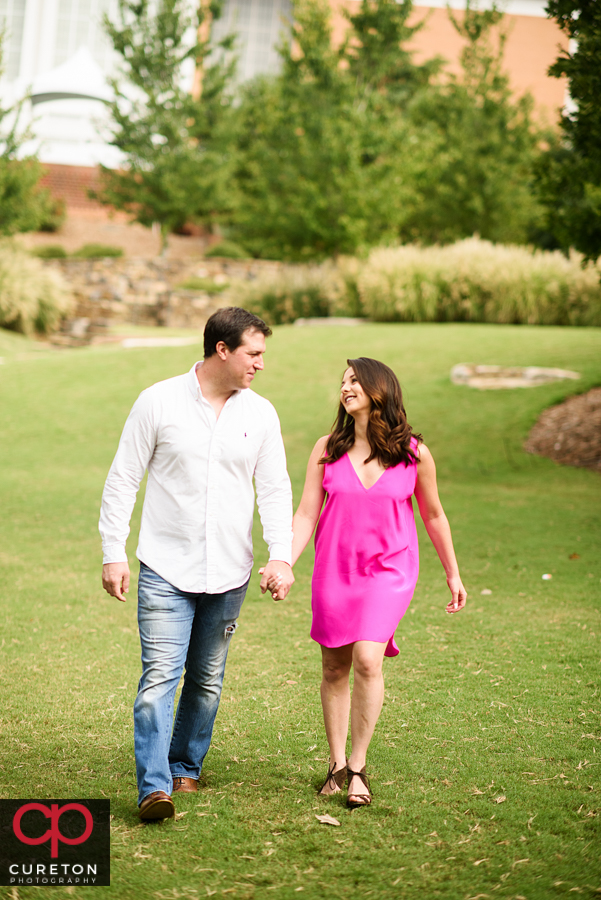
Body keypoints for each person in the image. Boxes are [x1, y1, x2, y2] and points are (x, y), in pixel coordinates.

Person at [99, 307, 294, 821]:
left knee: (206, 679)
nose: (260, 365)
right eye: (253, 353)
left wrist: (282, 555)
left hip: (230, 572)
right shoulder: (157, 402)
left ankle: (185, 764)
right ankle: (153, 787)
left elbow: (274, 489)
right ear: (222, 350)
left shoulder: (261, 414)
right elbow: (123, 479)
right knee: (159, 678)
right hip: (165, 567)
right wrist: (113, 551)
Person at [267, 357, 466, 808]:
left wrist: (452, 572)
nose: (346, 387)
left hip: (390, 570)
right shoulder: (327, 449)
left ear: (380, 389)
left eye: (354, 380)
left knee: (367, 660)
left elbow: (434, 515)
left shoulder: (413, 452)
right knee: (334, 667)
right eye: (343, 382)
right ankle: (336, 765)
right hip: (334, 570)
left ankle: (357, 767)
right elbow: (305, 514)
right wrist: (285, 562)